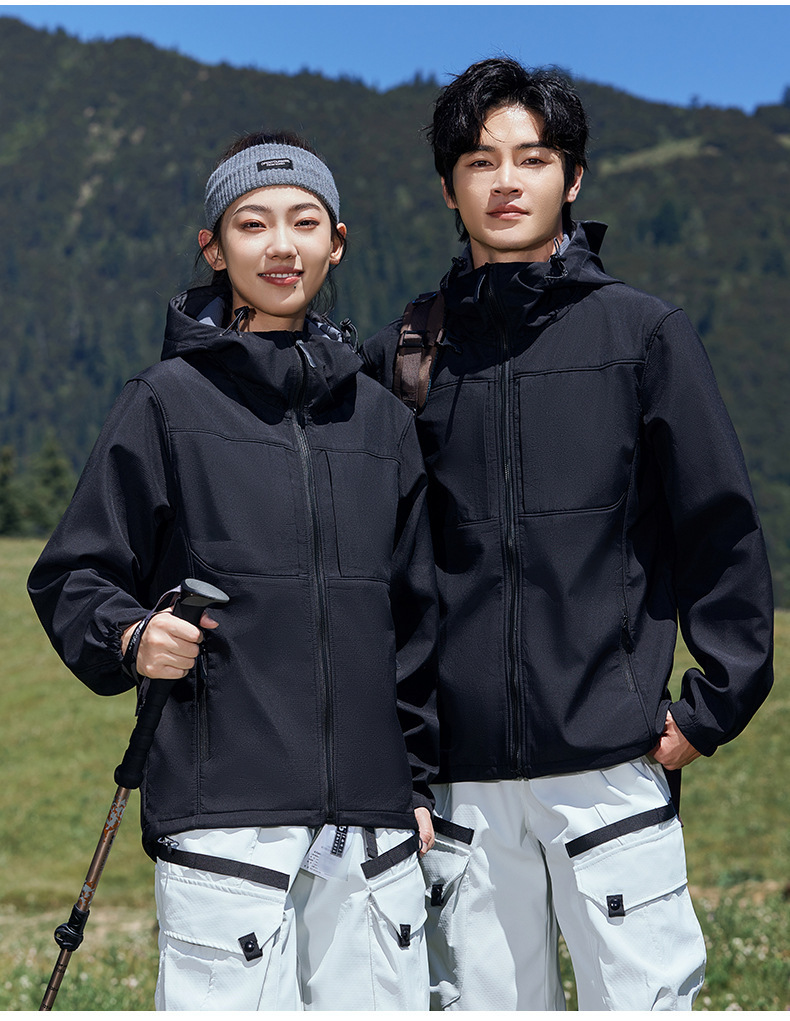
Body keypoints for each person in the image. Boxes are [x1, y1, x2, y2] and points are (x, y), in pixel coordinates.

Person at [363, 59, 774, 1011]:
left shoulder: (643, 334)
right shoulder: (408, 356)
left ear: (573, 178)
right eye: (480, 161)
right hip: (461, 785)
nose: (506, 182)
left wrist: (710, 710)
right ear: (449, 187)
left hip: (610, 764)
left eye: (533, 158)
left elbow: (718, 527)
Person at [28, 131, 439, 1011]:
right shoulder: (163, 402)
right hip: (224, 820)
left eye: (304, 221)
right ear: (214, 249)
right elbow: (73, 573)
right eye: (252, 223)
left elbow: (415, 620)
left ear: (337, 242)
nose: (281, 245)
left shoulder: (383, 422)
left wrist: (416, 780)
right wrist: (131, 634)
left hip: (373, 828)